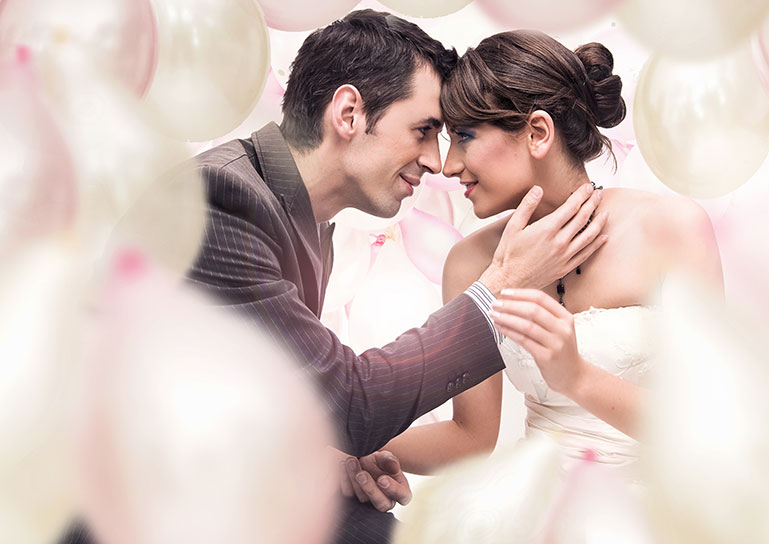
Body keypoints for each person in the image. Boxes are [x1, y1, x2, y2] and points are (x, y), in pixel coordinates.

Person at [58, 11, 607, 544]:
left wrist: (331, 456)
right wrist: (502, 285)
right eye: (423, 130)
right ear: (348, 114)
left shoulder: (296, 212)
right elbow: (350, 402)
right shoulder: (220, 202)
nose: (437, 162)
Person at [346, 29, 723, 489]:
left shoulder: (671, 228)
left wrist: (577, 377)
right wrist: (343, 447)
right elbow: (469, 439)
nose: (448, 166)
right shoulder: (470, 263)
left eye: (464, 136)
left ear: (538, 133)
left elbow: (707, 427)